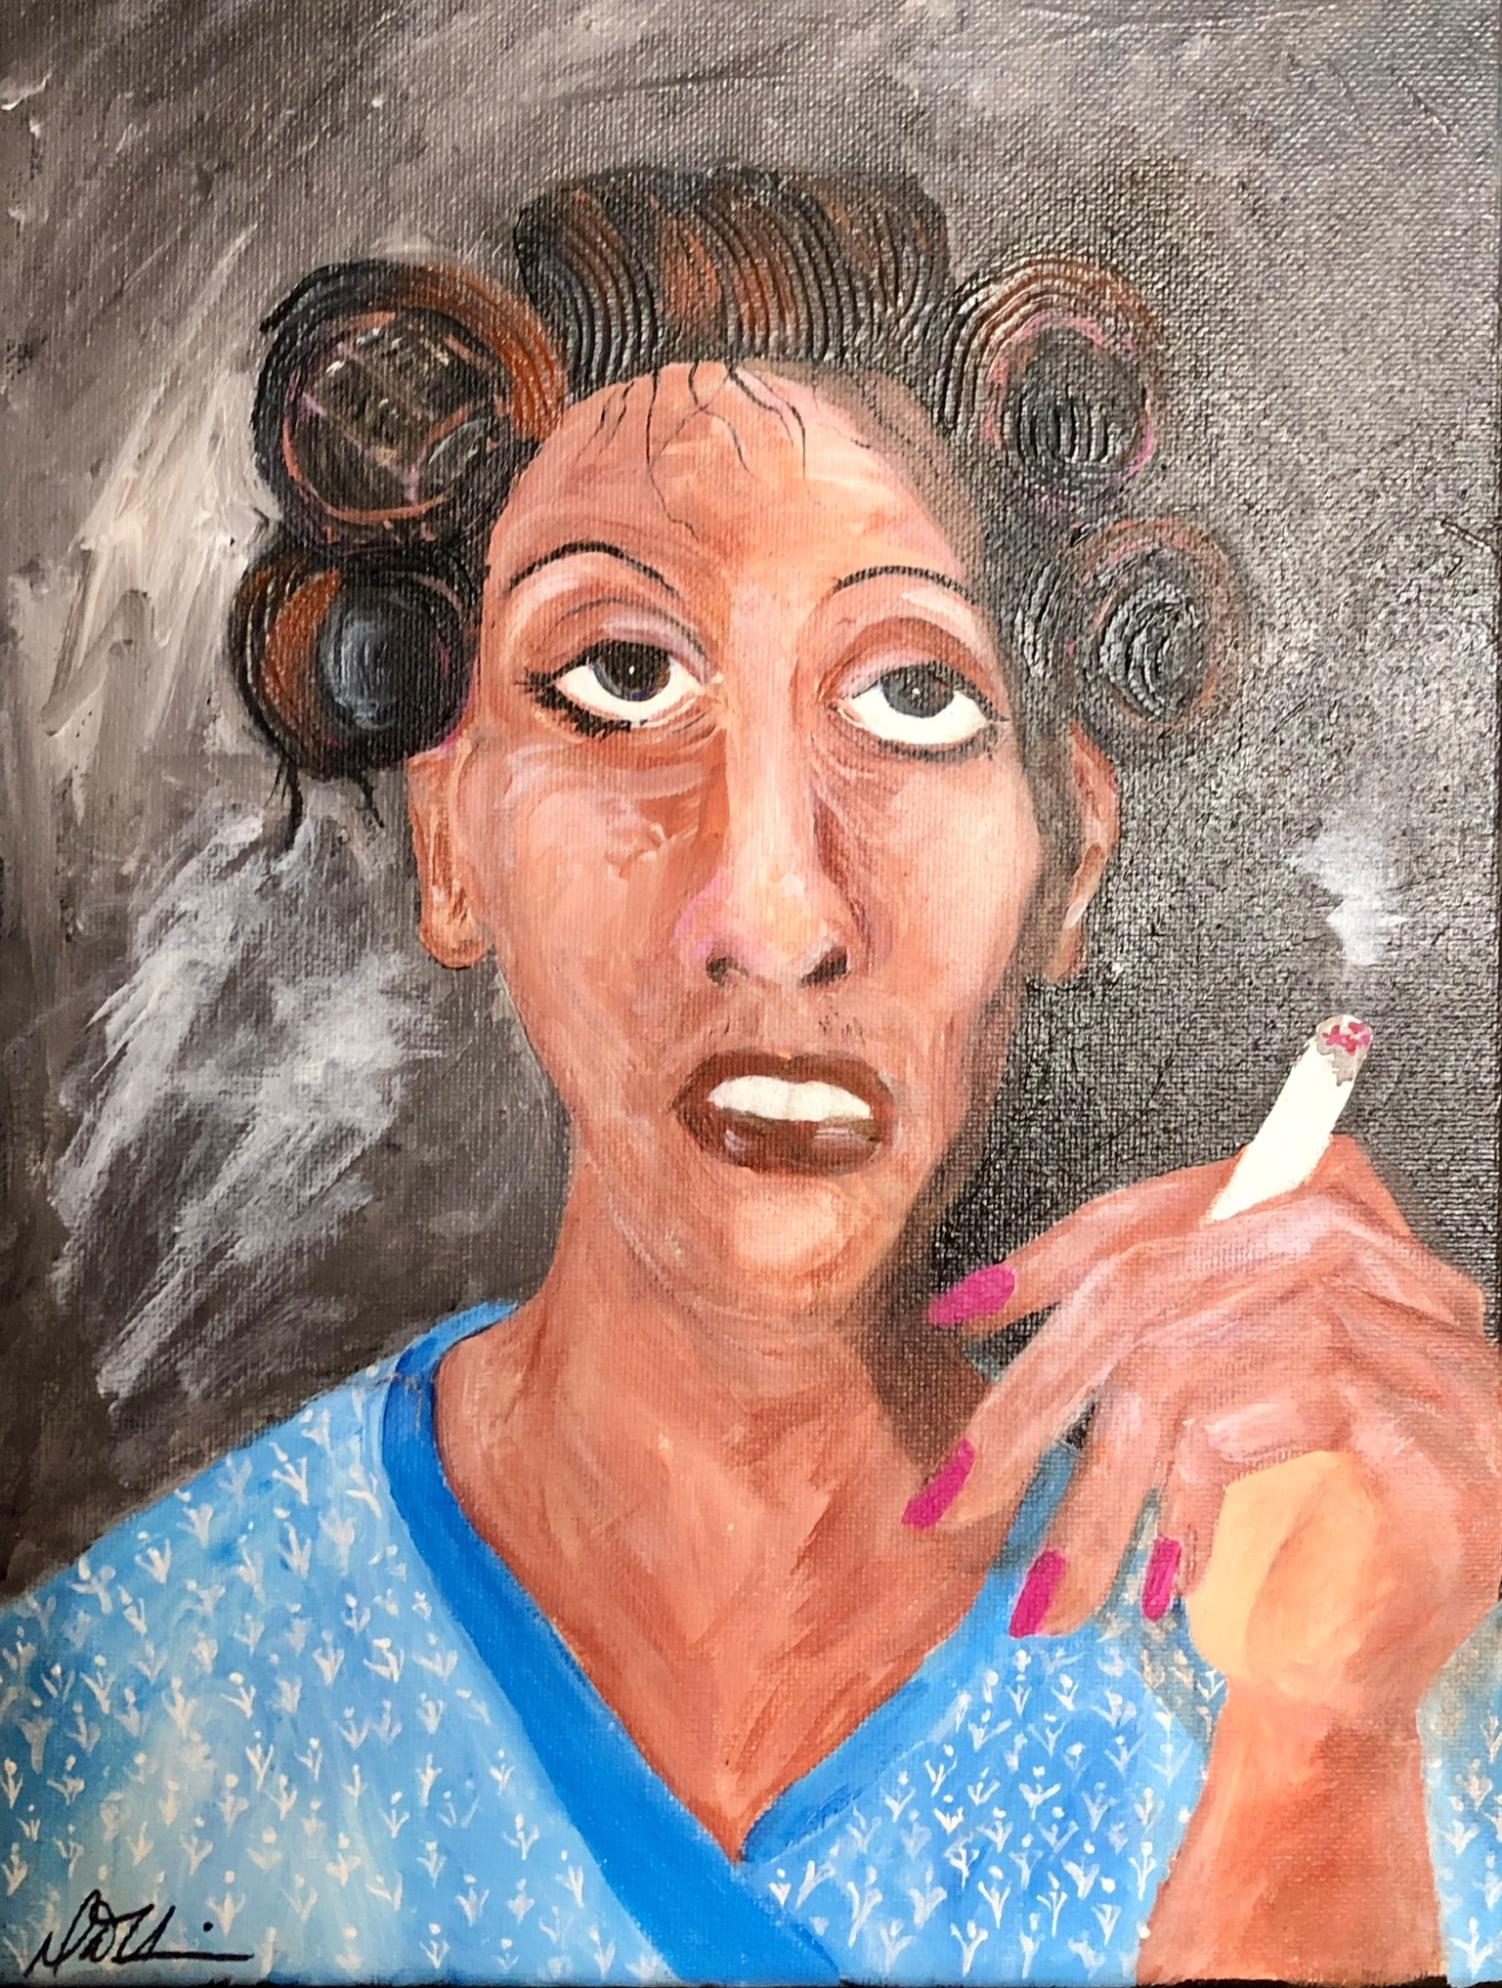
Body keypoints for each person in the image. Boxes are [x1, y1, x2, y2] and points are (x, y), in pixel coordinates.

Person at [1, 166, 1497, 1988]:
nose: (776, 914)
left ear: (1070, 857)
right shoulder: (109, 1728)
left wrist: (1319, 1757)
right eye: (623, 681)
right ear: (452, 841)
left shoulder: (1387, 1687)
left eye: (914, 700)